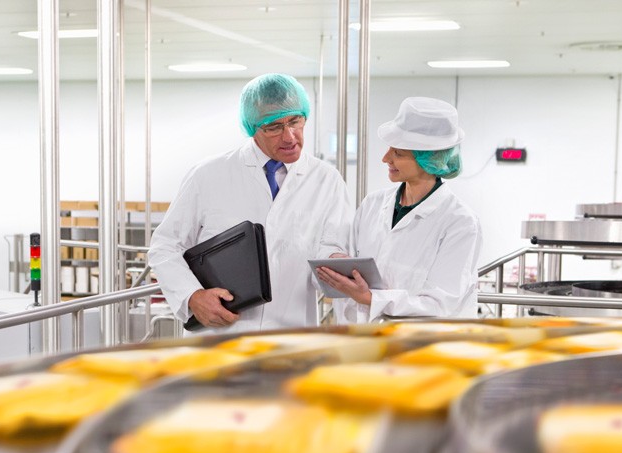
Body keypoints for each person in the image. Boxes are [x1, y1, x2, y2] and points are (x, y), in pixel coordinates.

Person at [148, 73, 353, 333]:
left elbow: (331, 249)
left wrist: (337, 262)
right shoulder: (208, 175)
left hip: (290, 335)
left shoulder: (327, 180)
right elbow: (165, 246)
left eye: (295, 121)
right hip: (222, 336)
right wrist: (192, 296)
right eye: (274, 127)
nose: (290, 137)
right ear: (252, 127)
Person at [316, 97, 482, 323]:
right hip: (364, 341)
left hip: (420, 349)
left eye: (399, 153)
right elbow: (337, 248)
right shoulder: (373, 204)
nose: (386, 158)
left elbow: (440, 304)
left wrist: (370, 298)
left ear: (429, 160)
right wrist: (335, 257)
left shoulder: (459, 222)